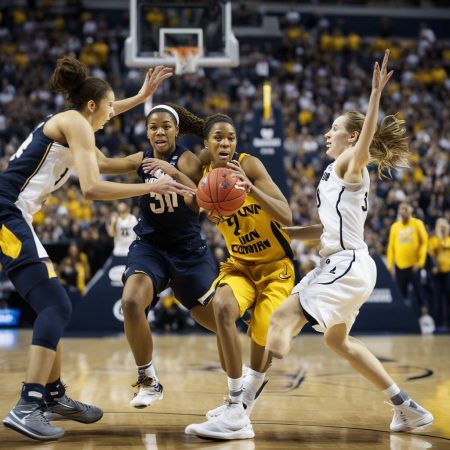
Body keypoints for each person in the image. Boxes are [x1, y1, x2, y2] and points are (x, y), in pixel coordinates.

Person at [0, 57, 194, 441]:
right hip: (6, 213)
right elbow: (91, 188)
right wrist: (150, 187)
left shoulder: (75, 127)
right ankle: (29, 403)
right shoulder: (75, 123)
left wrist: (140, 101)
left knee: (50, 304)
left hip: (11, 213)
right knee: (57, 306)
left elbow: (106, 163)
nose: (111, 117)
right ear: (91, 107)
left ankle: (52, 396)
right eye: (108, 109)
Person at [265, 50, 433, 433]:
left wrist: (375, 96)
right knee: (338, 343)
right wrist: (285, 235)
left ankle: (237, 406)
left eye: (334, 129)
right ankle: (408, 408)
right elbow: (324, 229)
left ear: (353, 137)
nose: (327, 134)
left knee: (279, 321)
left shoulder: (350, 165)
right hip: (344, 262)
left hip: (348, 264)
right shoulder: (331, 172)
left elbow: (368, 138)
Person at [177, 105, 295, 440]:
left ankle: (243, 408)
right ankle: (233, 402)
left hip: (275, 268)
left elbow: (286, 215)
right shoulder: (203, 172)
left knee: (264, 332)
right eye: (218, 138)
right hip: (240, 265)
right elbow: (189, 197)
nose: (226, 143)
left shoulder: (250, 165)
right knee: (222, 307)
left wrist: (251, 189)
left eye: (231, 137)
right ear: (208, 143)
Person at [95, 104, 220, 408]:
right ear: (147, 131)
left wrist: (174, 173)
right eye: (153, 127)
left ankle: (247, 368)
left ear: (176, 130)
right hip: (150, 246)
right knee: (131, 301)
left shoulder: (189, 159)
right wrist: (83, 129)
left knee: (219, 320)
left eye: (166, 126)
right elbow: (103, 164)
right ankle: (148, 380)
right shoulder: (141, 160)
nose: (159, 131)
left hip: (187, 249)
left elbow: (200, 204)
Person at [387, 202, 428, 314]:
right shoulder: (395, 227)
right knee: (400, 294)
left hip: (414, 265)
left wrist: (420, 262)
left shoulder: (417, 223)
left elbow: (424, 243)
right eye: (400, 209)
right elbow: (391, 247)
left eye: (405, 209)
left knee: (419, 293)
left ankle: (425, 318)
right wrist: (390, 266)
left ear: (410, 211)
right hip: (400, 265)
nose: (402, 211)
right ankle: (402, 317)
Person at [428, 218, 450, 330]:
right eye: (439, 226)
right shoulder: (433, 240)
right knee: (437, 298)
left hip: (448, 272)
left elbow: (444, 245)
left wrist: (443, 236)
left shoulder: (448, 239)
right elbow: (431, 253)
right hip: (437, 273)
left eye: (444, 226)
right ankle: (437, 323)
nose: (442, 228)